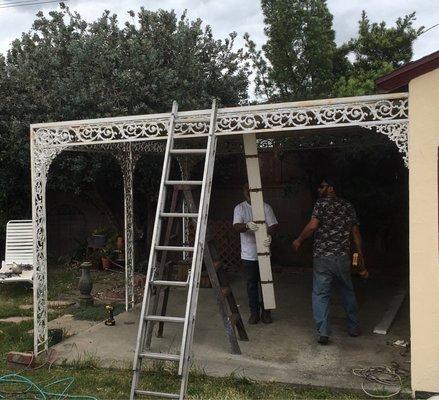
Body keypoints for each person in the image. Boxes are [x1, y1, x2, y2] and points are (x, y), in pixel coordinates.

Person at [292, 177, 363, 345]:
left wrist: (299, 240)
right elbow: (355, 233)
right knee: (347, 291)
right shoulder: (348, 206)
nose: (318, 189)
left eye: (321, 186)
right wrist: (359, 255)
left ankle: (323, 332)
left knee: (320, 294)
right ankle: (353, 327)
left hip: (323, 258)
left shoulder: (321, 204)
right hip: (342, 258)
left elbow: (312, 226)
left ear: (331, 188)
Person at [233, 183, 278, 324]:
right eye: (246, 189)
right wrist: (246, 226)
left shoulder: (266, 207)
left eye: (251, 189)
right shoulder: (240, 208)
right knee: (251, 284)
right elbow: (236, 226)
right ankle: (254, 313)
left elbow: (273, 225)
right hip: (248, 253)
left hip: (264, 251)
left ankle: (266, 312)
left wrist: (268, 235)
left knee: (266, 283)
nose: (249, 191)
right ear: (244, 191)